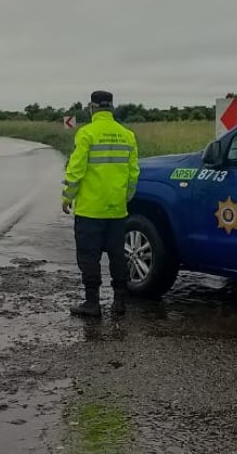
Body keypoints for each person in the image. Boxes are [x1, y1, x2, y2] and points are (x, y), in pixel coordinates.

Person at [62, 91, 139, 317]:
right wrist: (125, 197)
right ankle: (120, 302)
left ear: (92, 108)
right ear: (111, 108)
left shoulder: (86, 134)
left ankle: (92, 303)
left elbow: (76, 170)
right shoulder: (127, 135)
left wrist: (67, 196)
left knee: (89, 257)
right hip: (117, 209)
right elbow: (134, 173)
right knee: (117, 256)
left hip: (90, 210)